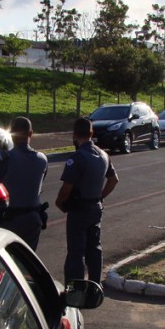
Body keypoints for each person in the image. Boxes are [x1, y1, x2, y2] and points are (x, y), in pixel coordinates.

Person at [56, 117, 118, 284]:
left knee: (76, 251)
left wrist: (60, 203)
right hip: (95, 206)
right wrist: (100, 196)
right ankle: (94, 285)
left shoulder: (77, 157)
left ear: (74, 135)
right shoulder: (104, 155)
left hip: (79, 208)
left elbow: (66, 188)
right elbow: (113, 180)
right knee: (94, 249)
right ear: (91, 133)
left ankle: (74, 289)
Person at [0, 117, 48, 250]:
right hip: (33, 219)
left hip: (9, 220)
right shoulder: (42, 159)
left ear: (11, 134)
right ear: (30, 134)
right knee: (28, 263)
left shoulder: (2, 158)